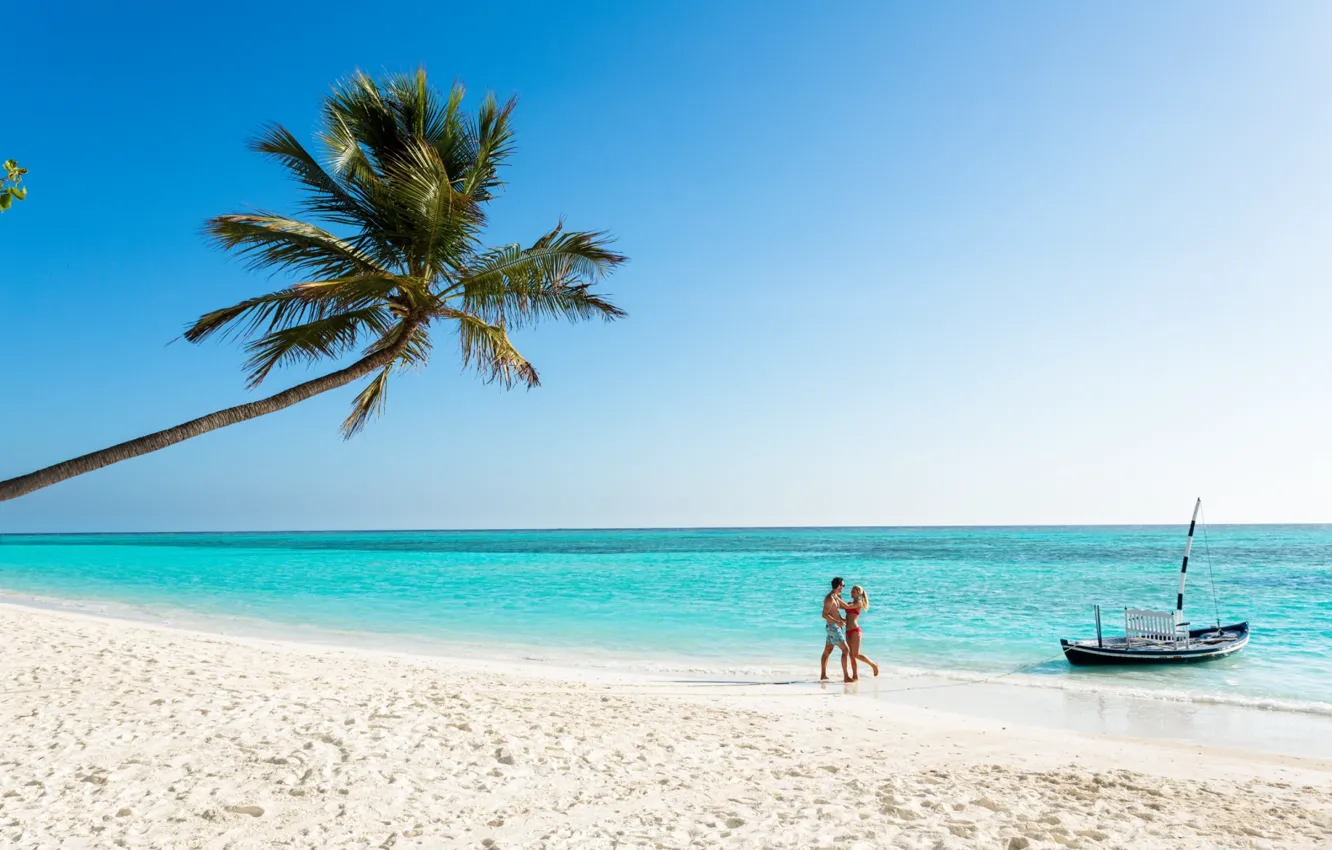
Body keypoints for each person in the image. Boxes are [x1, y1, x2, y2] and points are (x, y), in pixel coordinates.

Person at [844, 585, 879, 680]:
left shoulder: (859, 603)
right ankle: (855, 676)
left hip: (855, 631)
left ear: (858, 593)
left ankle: (873, 664)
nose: (851, 593)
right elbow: (848, 616)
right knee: (851, 655)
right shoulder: (849, 603)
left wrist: (835, 597)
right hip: (847, 631)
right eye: (851, 591)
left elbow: (846, 607)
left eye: (853, 591)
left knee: (856, 654)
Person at [820, 577, 852, 682]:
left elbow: (838, 610)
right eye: (843, 585)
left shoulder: (836, 596)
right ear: (839, 586)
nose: (843, 587)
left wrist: (843, 619)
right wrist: (837, 622)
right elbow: (824, 614)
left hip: (834, 627)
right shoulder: (829, 598)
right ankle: (846, 677)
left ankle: (823, 675)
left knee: (827, 651)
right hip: (833, 627)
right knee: (846, 650)